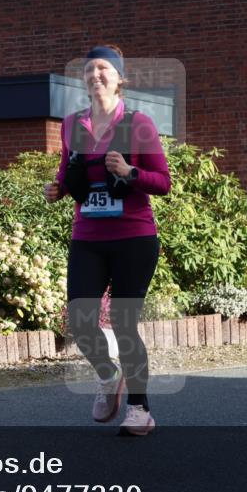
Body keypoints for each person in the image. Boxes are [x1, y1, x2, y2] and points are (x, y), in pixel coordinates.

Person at [43, 44, 171, 436]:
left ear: (119, 78)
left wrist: (131, 172)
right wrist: (58, 189)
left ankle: (139, 409)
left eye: (103, 69)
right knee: (81, 322)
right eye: (89, 70)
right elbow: (69, 173)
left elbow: (163, 183)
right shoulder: (71, 125)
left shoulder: (138, 123)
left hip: (133, 236)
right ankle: (107, 374)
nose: (95, 75)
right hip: (88, 236)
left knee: (124, 323)